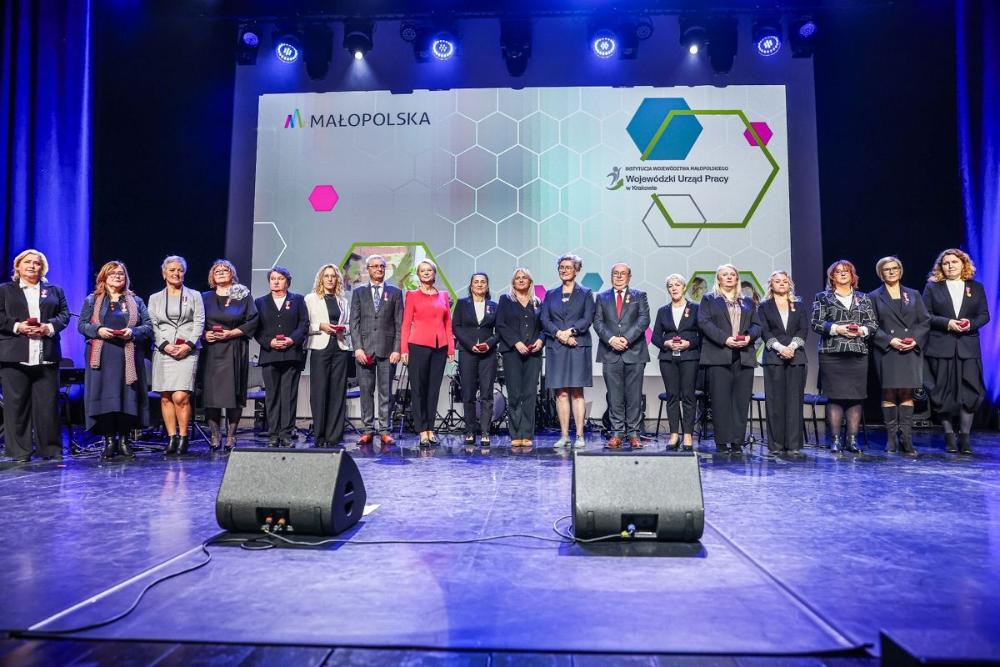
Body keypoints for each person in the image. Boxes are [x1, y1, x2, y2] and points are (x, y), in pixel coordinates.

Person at [0, 249, 71, 461]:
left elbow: (64, 315)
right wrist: (17, 326)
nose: (32, 266)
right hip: (14, 356)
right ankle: (19, 452)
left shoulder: (55, 290)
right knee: (16, 407)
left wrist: (48, 327)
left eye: (37, 263)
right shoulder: (5, 290)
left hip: (46, 355)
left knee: (48, 407)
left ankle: (50, 450)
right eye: (27, 262)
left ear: (43, 268)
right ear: (18, 266)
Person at [79, 261, 152, 460]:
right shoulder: (92, 300)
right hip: (102, 357)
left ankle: (125, 441)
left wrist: (133, 332)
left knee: (127, 398)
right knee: (106, 398)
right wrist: (98, 330)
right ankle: (110, 441)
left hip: (128, 355)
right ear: (104, 277)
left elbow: (148, 326)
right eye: (112, 274)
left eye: (120, 273)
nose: (117, 276)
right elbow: (82, 325)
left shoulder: (136, 300)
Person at [922, 248, 990, 454]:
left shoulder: (976, 287)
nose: (950, 266)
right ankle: (949, 436)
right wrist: (948, 323)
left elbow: (984, 315)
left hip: (968, 348)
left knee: (970, 392)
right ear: (941, 267)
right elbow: (925, 315)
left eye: (954, 262)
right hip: (941, 347)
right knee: (941, 393)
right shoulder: (933, 287)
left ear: (963, 264)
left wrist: (970, 324)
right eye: (946, 263)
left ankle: (965, 437)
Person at [810, 259, 878, 454]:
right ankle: (835, 440)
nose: (842, 273)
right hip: (832, 353)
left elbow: (873, 324)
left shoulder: (863, 298)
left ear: (852, 275)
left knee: (855, 397)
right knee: (835, 397)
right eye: (838, 271)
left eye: (846, 271)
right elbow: (816, 323)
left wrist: (861, 330)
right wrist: (837, 328)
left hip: (857, 353)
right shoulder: (823, 297)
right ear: (832, 276)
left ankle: (852, 440)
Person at [697, 264, 761, 454]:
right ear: (718, 279)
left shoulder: (747, 301)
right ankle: (722, 441)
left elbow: (757, 325)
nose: (729, 277)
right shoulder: (709, 299)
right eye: (725, 274)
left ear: (737, 278)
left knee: (741, 401)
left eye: (732, 274)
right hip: (719, 355)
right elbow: (704, 323)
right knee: (720, 400)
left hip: (744, 356)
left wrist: (749, 337)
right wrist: (725, 339)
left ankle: (737, 441)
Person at [870, 256, 930, 456]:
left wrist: (915, 340)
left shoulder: (913, 294)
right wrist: (889, 340)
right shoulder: (873, 296)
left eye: (895, 268)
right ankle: (891, 438)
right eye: (887, 269)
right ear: (881, 273)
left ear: (900, 271)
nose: (891, 271)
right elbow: (871, 326)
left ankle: (906, 437)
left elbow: (924, 321)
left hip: (909, 349)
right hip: (887, 350)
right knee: (889, 393)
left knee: (906, 393)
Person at [149, 255, 205, 456]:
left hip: (187, 350)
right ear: (164, 273)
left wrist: (188, 345)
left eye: (180, 270)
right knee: (165, 397)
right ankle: (171, 437)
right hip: (163, 350)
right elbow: (152, 324)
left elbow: (199, 322)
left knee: (180, 396)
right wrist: (165, 345)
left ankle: (184, 437)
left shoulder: (194, 295)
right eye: (172, 270)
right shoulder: (155, 298)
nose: (176, 273)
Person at [200, 260, 258, 452]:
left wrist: (231, 333)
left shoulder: (242, 294)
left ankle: (231, 436)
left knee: (234, 393)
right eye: (217, 270)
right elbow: (196, 321)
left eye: (225, 270)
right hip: (211, 349)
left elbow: (253, 320)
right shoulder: (204, 297)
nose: (221, 272)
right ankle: (215, 435)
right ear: (212, 276)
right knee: (212, 395)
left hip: (235, 347)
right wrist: (204, 335)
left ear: (232, 274)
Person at [540, 254, 595, 449]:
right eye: (561, 267)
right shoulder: (550, 294)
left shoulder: (586, 293)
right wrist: (559, 334)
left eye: (568, 267)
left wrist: (570, 332)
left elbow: (588, 318)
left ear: (576, 270)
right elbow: (544, 318)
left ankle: (579, 435)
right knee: (561, 393)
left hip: (578, 345)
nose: (564, 270)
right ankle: (564, 436)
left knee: (577, 392)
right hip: (557, 347)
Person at [592, 263, 650, 449]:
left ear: (629, 277)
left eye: (622, 273)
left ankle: (634, 434)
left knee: (634, 397)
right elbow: (598, 322)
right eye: (615, 273)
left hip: (634, 352)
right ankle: (616, 433)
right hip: (610, 353)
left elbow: (644, 320)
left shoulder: (639, 296)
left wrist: (626, 339)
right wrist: (611, 340)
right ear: (611, 276)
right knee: (614, 396)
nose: (618, 276)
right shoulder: (602, 297)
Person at [349, 254, 403, 446]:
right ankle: (368, 430)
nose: (379, 269)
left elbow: (399, 323)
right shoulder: (358, 292)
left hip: (388, 351)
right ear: (368, 269)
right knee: (366, 391)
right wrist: (357, 348)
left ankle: (385, 430)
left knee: (385, 392)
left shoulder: (395, 292)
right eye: (375, 266)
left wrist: (397, 349)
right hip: (364, 350)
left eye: (382, 266)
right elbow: (354, 323)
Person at [401, 260, 454, 447]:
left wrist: (450, 347)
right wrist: (404, 349)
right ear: (418, 274)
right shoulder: (412, 295)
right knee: (419, 389)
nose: (426, 273)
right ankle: (422, 430)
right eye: (422, 270)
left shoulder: (443, 295)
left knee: (433, 390)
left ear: (434, 273)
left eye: (429, 270)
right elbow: (406, 324)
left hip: (439, 347)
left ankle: (431, 429)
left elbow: (447, 323)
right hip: (417, 346)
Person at [254, 266, 308, 447]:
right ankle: (273, 433)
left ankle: (286, 433)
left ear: (287, 281)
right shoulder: (260, 302)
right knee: (272, 396)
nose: (276, 282)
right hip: (269, 355)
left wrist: (291, 340)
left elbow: (304, 324)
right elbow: (256, 329)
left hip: (291, 354)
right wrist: (269, 342)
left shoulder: (297, 300)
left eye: (280, 278)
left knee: (289, 396)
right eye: (273, 279)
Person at [758, 271, 809, 459]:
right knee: (775, 402)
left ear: (790, 284)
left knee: (794, 402)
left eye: (784, 281)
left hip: (796, 357)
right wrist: (780, 348)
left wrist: (792, 347)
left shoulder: (799, 305)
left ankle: (793, 444)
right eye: (777, 281)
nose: (781, 284)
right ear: (771, 285)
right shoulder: (764, 306)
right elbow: (764, 331)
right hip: (774, 357)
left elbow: (803, 329)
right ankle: (776, 445)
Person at [650, 273, 701, 451]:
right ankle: (674, 434)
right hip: (668, 358)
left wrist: (689, 343)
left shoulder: (695, 308)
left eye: (677, 285)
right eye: (670, 286)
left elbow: (702, 335)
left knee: (688, 396)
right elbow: (655, 336)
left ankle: (687, 434)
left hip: (689, 357)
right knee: (672, 396)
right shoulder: (663, 311)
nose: (674, 288)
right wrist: (666, 343)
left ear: (684, 287)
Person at [305, 264, 352, 449]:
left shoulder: (343, 300)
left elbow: (349, 324)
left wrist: (343, 328)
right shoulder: (311, 299)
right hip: (320, 347)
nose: (330, 279)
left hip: (340, 348)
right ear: (321, 279)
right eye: (327, 276)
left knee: (337, 392)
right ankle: (320, 435)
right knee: (319, 392)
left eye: (333, 276)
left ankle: (334, 436)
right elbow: (304, 324)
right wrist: (320, 326)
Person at [495, 268, 544, 447]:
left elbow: (544, 326)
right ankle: (515, 434)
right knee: (515, 394)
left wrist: (541, 340)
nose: (521, 280)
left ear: (530, 282)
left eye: (525, 278)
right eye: (518, 278)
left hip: (533, 353)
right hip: (512, 352)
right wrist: (516, 342)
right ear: (513, 282)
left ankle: (527, 434)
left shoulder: (537, 302)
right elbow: (500, 324)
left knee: (529, 394)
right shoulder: (505, 300)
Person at [452, 272, 498, 447]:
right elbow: (456, 327)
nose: (479, 284)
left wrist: (489, 344)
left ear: (487, 285)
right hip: (467, 352)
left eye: (483, 282)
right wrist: (471, 345)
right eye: (476, 282)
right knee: (468, 394)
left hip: (488, 354)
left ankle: (485, 432)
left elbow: (500, 330)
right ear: (471, 286)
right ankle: (470, 431)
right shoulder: (462, 304)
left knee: (486, 394)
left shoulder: (494, 306)